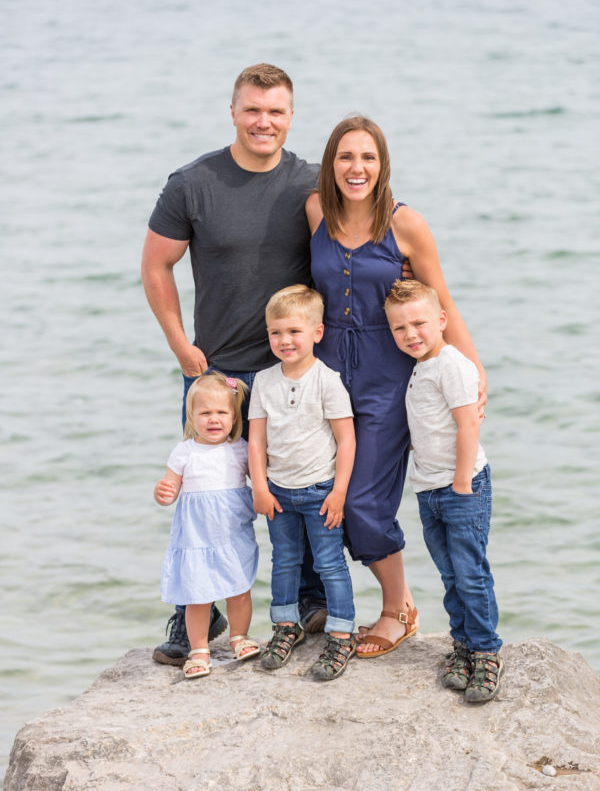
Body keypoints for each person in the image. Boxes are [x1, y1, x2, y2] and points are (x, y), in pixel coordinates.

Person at [142, 63, 328, 665]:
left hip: (290, 373)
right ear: (233, 111)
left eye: (275, 111)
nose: (263, 122)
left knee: (296, 490)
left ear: (290, 116)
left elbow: (353, 253)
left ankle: (306, 604)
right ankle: (193, 614)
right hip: (216, 374)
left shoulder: (311, 183)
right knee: (202, 497)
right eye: (253, 110)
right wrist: (179, 346)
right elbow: (155, 266)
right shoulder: (193, 183)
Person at [306, 116, 487, 658]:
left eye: (367, 157)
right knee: (319, 496)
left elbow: (441, 303)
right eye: (345, 157)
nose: (356, 168)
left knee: (363, 501)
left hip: (388, 379)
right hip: (327, 374)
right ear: (330, 163)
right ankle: (334, 607)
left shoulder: (406, 224)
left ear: (382, 165)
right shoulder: (315, 210)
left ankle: (396, 608)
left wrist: (473, 372)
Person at [384, 280, 502, 702]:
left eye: (419, 323)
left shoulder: (452, 364)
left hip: (461, 485)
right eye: (399, 328)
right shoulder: (420, 368)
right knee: (450, 574)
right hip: (429, 488)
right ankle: (463, 645)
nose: (410, 334)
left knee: (471, 572)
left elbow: (469, 424)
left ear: (441, 321)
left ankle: (487, 652)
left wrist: (462, 481)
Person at [248, 286, 357, 680]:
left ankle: (342, 633)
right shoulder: (263, 381)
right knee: (285, 562)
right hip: (278, 492)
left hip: (320, 491)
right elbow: (256, 440)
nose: (284, 340)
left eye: (294, 331)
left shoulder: (327, 380)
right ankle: (284, 625)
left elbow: (346, 439)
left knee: (329, 563)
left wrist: (339, 492)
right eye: (275, 333)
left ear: (317, 332)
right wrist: (260, 486)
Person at [154, 372, 261, 679]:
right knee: (198, 596)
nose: (213, 420)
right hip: (196, 539)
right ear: (192, 416)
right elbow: (169, 486)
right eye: (205, 413)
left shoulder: (240, 448)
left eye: (221, 413)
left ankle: (239, 637)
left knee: (239, 590)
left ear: (234, 416)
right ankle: (199, 650)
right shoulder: (185, 451)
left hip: (232, 535)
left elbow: (259, 483)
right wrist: (162, 492)